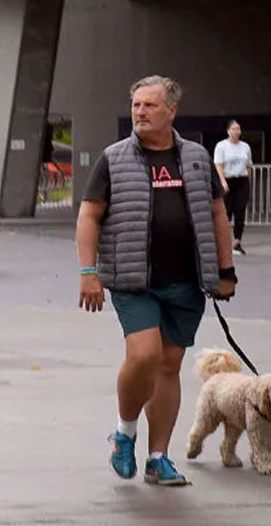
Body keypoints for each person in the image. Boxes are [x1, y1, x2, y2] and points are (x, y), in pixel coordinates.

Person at [76, 75, 237, 486]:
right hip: (134, 279)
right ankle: (125, 432)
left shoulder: (197, 158)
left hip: (186, 281)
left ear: (171, 111)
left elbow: (217, 214)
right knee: (144, 355)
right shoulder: (114, 158)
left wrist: (225, 271)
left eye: (149, 105)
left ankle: (158, 457)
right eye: (136, 105)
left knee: (169, 365)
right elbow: (89, 214)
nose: (140, 112)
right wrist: (88, 271)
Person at [214, 119, 255, 255]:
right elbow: (218, 165)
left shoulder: (245, 147)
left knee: (240, 211)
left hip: (241, 180)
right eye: (233, 129)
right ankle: (223, 243)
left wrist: (248, 182)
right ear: (228, 131)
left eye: (238, 129)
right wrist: (222, 181)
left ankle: (237, 242)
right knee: (226, 212)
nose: (236, 132)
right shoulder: (221, 146)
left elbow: (248, 165)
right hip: (228, 180)